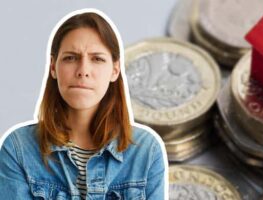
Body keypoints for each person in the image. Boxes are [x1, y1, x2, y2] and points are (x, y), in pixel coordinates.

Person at [0, 9, 167, 200]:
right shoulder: (17, 148)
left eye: (97, 59)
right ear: (53, 67)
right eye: (70, 58)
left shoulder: (147, 151)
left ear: (115, 70)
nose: (83, 71)